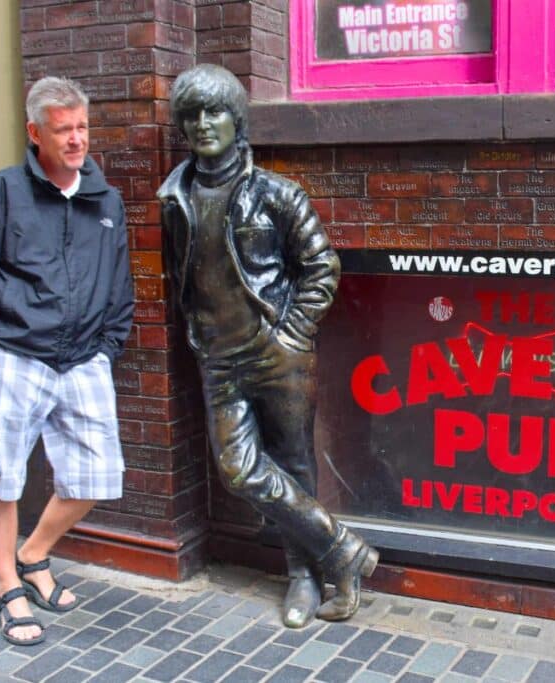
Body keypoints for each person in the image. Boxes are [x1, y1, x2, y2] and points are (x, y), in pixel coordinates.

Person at [158, 64, 376, 629]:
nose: (204, 124)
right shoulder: (174, 197)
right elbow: (178, 275)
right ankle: (344, 550)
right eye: (192, 115)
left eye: (215, 112)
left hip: (278, 351)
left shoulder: (276, 194)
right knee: (239, 469)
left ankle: (304, 578)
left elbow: (321, 268)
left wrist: (290, 332)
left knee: (296, 466)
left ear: (237, 120)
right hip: (218, 357)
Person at [0, 76, 134, 646]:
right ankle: (9, 586)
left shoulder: (105, 200)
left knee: (98, 474)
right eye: (63, 130)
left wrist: (107, 347)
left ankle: (34, 553)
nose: (77, 139)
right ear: (35, 132)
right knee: (1, 478)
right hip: (15, 356)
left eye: (81, 127)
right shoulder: (2, 193)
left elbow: (120, 283)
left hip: (83, 361)